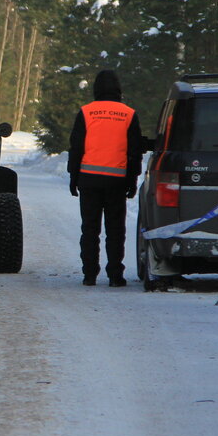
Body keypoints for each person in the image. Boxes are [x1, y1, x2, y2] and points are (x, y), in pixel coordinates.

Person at [68, 69, 143, 287]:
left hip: (89, 180)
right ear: (118, 89)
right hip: (116, 181)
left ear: (96, 89)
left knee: (90, 229)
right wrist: (132, 180)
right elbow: (135, 151)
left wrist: (73, 178)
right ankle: (115, 275)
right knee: (115, 230)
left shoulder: (86, 112)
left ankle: (89, 274)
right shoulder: (129, 114)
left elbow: (76, 147)